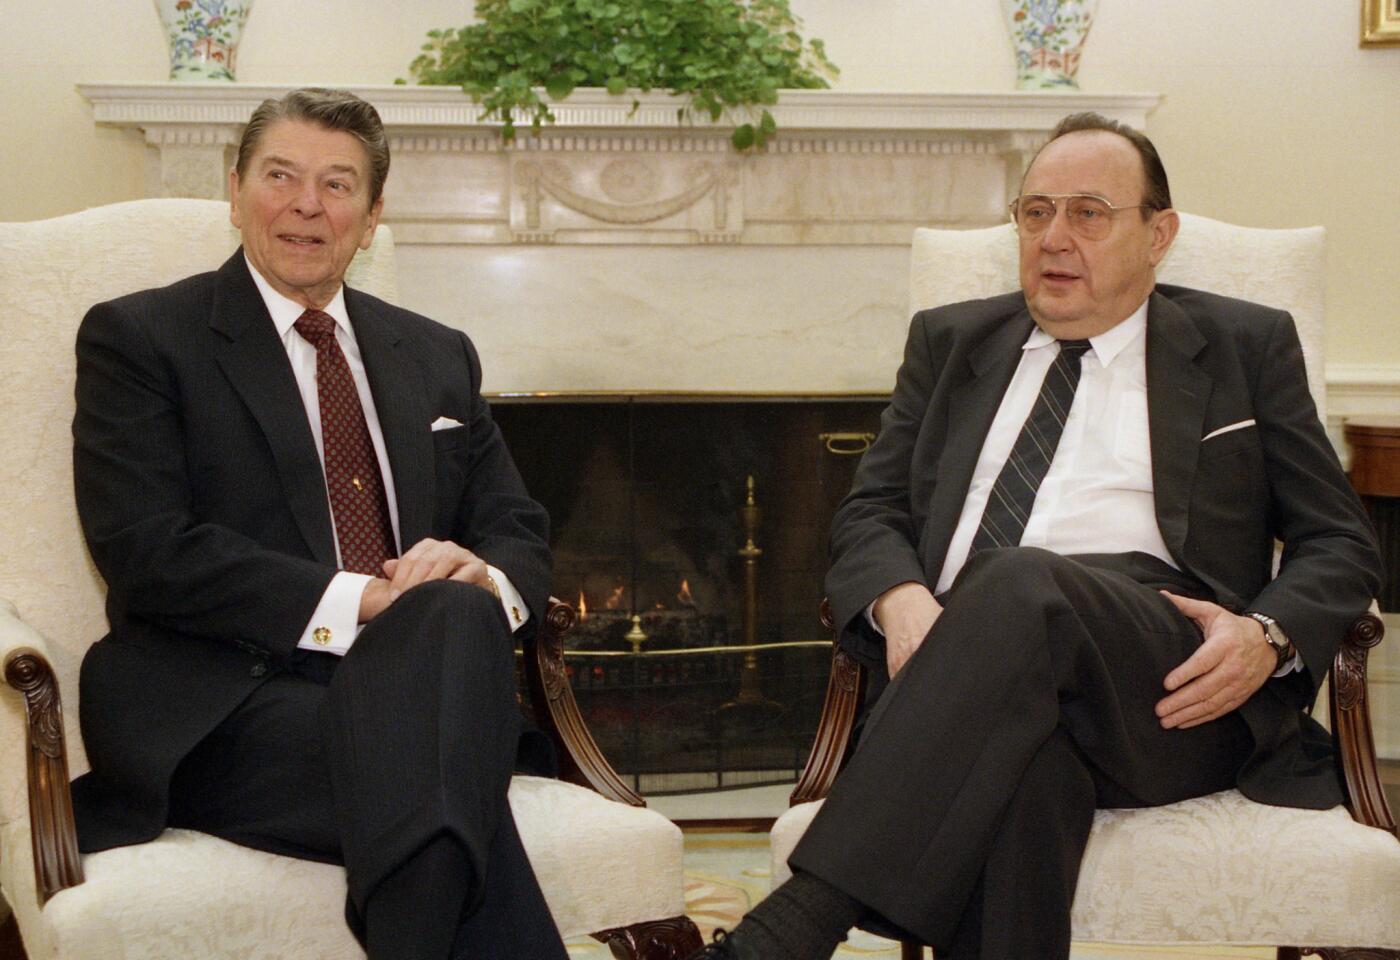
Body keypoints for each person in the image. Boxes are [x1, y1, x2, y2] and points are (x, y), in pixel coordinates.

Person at [690, 113, 1382, 960]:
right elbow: (870, 511)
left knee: (1021, 581)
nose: (1054, 237)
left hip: (1166, 678)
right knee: (1023, 774)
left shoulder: (1244, 344)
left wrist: (1266, 639)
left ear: (1158, 233)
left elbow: (1341, 542)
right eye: (1035, 212)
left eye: (1089, 212)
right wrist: (902, 601)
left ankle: (789, 929)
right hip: (974, 666)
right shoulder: (949, 342)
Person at [70, 88, 566, 960]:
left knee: (453, 613)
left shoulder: (437, 351)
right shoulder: (141, 338)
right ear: (234, 189)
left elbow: (516, 523)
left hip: (418, 687)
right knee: (446, 783)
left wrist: (480, 576)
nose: (307, 205)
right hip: (223, 703)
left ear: (372, 217)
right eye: (281, 176)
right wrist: (367, 600)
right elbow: (145, 549)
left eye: (338, 185)